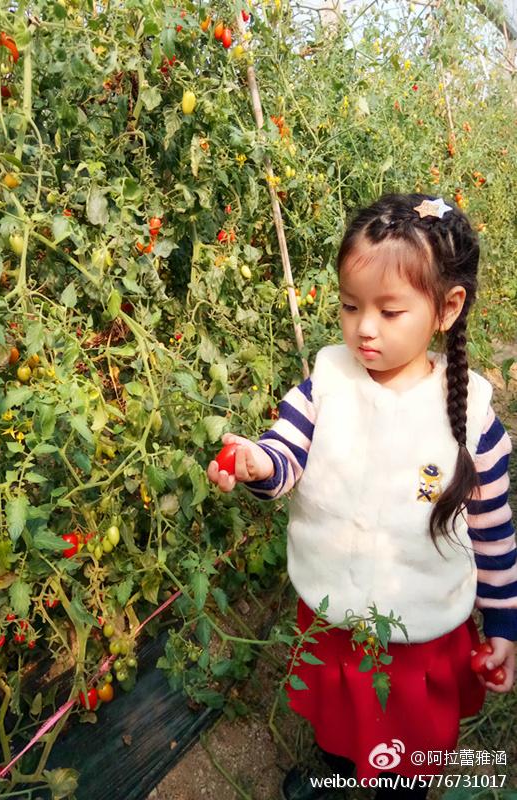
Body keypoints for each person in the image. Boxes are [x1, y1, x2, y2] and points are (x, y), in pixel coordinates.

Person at [206, 194, 516, 800]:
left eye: (389, 310)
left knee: (407, 750)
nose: (363, 328)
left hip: (419, 632)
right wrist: (255, 461)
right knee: (339, 717)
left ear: (447, 309)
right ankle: (334, 770)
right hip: (334, 611)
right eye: (350, 306)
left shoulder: (473, 421)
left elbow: (494, 537)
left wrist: (504, 621)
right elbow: (285, 453)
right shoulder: (327, 382)